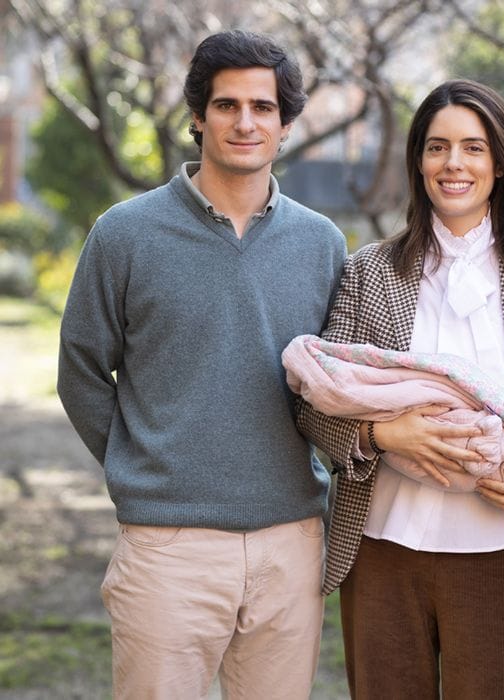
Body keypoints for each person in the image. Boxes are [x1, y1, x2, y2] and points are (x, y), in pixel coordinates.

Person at [57, 29, 346, 700]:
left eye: (263, 107)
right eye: (225, 105)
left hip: (290, 541)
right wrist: (146, 460)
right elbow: (80, 368)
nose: (245, 121)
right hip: (167, 546)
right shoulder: (124, 234)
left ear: (285, 121)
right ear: (196, 115)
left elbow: (336, 387)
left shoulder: (321, 243)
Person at [294, 79, 504, 699]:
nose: (454, 164)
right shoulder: (370, 272)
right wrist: (380, 433)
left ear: (499, 164)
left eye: (473, 147)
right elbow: (313, 400)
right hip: (382, 552)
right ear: (418, 161)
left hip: (497, 551)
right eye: (437, 147)